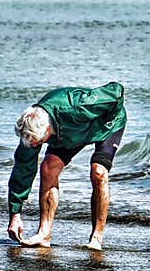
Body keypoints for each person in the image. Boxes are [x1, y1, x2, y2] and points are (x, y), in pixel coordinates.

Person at [7, 81, 127, 250]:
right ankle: (44, 234)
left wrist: (105, 120)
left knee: (98, 171)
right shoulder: (32, 130)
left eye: (39, 142)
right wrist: (15, 214)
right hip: (70, 135)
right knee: (48, 167)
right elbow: (22, 169)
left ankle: (96, 238)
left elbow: (116, 91)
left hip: (107, 126)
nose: (36, 145)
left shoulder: (76, 106)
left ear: (47, 130)